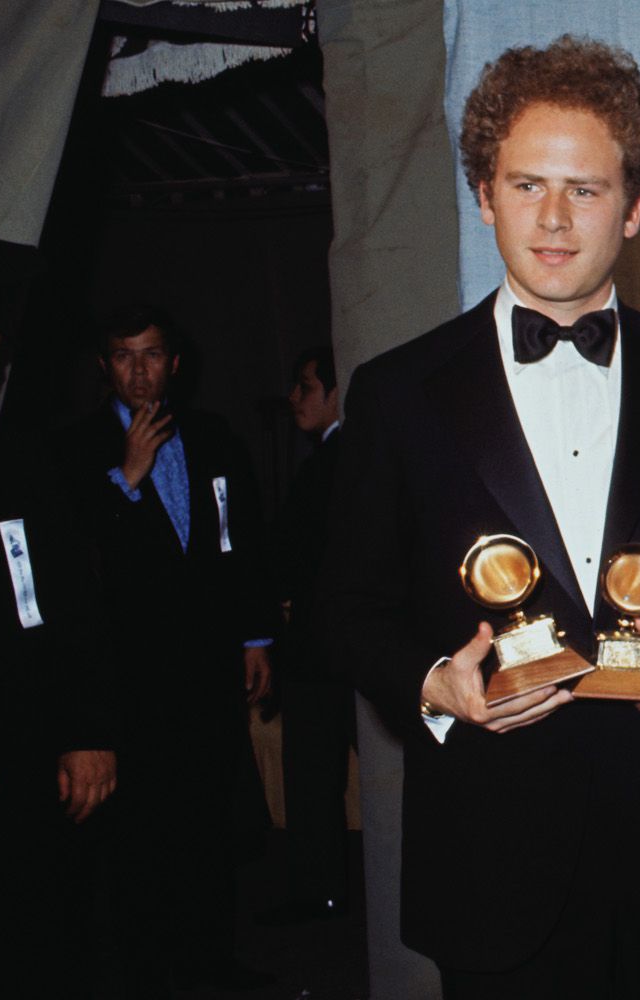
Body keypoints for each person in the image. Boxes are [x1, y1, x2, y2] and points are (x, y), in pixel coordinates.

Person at [320, 35, 640, 998]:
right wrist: (438, 684)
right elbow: (347, 607)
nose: (554, 221)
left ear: (637, 208)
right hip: (491, 871)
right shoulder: (396, 394)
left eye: (587, 190)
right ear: (483, 194)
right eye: (526, 186)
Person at [61, 305, 276, 996]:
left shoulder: (213, 436)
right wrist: (127, 477)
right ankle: (150, 974)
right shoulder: (79, 448)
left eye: (151, 354)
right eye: (124, 356)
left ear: (174, 363)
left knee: (208, 824)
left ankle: (211, 964)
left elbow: (240, 540)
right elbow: (76, 567)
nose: (139, 370)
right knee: (142, 837)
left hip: (206, 671)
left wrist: (255, 636)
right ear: (105, 366)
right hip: (128, 681)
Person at [0, 321, 117, 998]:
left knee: (38, 935)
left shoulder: (24, 457)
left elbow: (69, 602)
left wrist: (88, 732)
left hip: (26, 741)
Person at [263, 345, 352, 923]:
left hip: (324, 646)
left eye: (305, 386)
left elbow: (303, 554)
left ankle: (319, 893)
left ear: (335, 393)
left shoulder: (335, 459)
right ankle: (325, 889)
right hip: (332, 642)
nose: (294, 398)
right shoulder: (334, 455)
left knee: (314, 774)